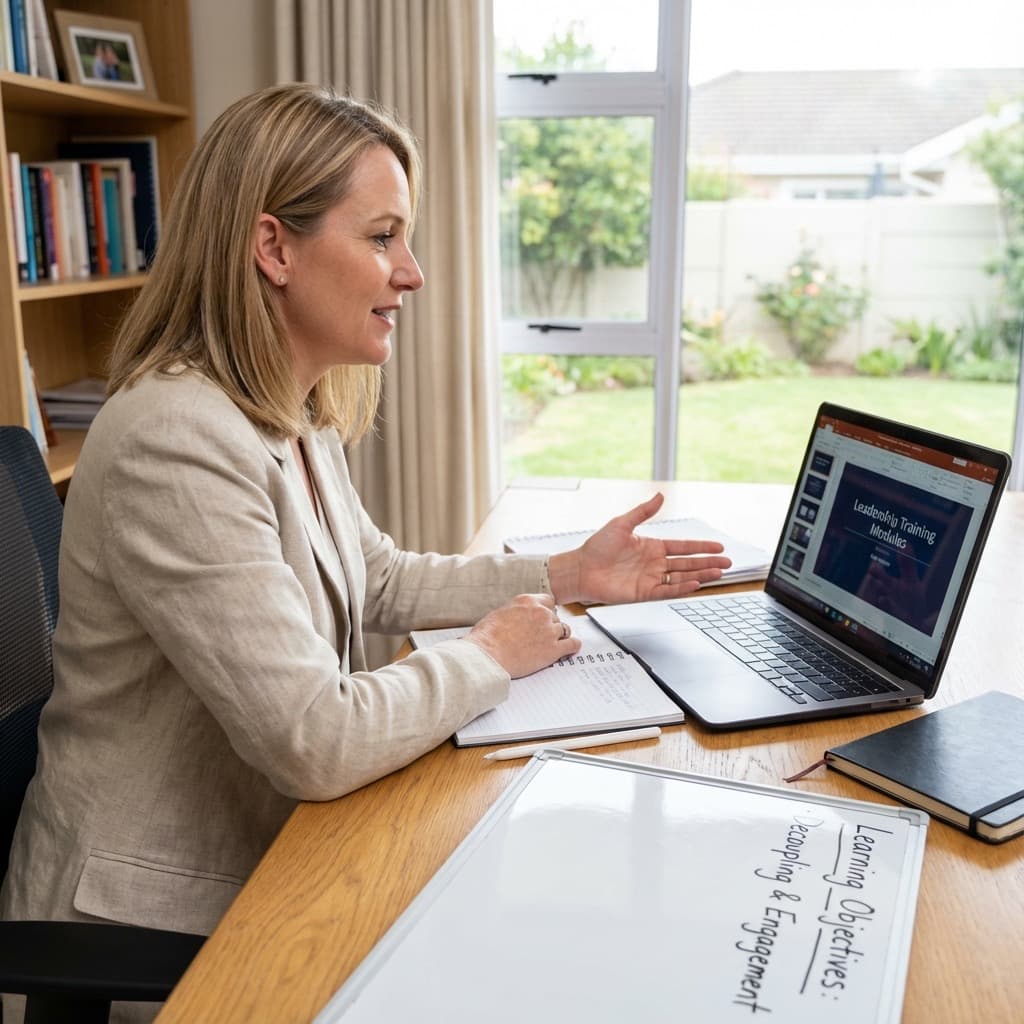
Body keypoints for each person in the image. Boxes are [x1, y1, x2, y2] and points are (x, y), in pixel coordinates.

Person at [0, 84, 730, 1022]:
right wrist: (488, 655)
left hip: (271, 851)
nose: (413, 273)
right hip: (142, 919)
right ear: (273, 248)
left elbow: (374, 574)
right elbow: (316, 737)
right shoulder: (173, 438)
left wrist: (565, 577)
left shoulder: (287, 409)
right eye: (382, 237)